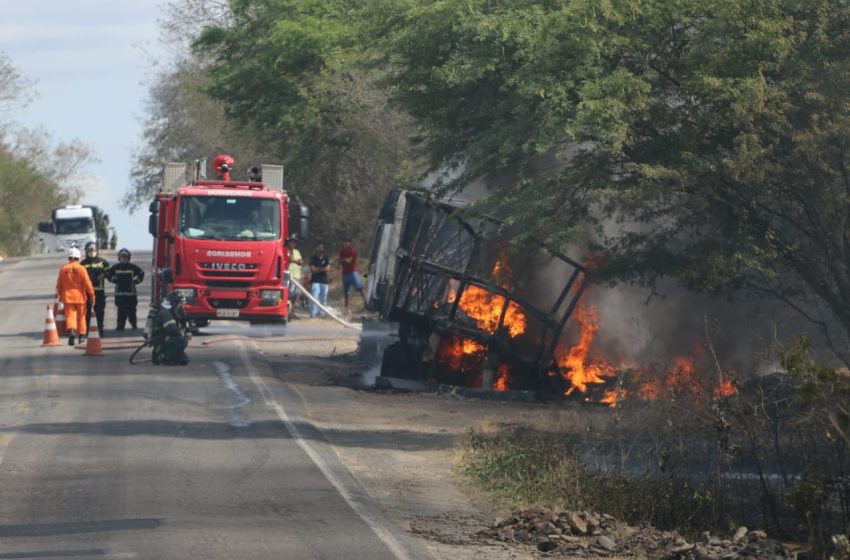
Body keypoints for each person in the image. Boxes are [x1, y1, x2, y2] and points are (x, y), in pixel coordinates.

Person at [55, 247, 95, 346]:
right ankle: (81, 336)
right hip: (80, 297)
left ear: (69, 257)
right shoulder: (82, 269)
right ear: (78, 258)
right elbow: (87, 283)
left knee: (70, 317)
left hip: (68, 298)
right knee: (81, 317)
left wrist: (60, 295)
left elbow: (59, 285)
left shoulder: (63, 269)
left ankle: (72, 331)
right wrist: (92, 295)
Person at [106, 248, 145, 331]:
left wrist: (135, 282)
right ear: (119, 258)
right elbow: (108, 274)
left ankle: (133, 324)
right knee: (121, 310)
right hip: (119, 293)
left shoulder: (132, 267)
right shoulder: (116, 267)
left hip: (131, 293)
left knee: (132, 310)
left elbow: (141, 273)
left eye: (125, 257)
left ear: (129, 258)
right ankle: (120, 325)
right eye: (122, 257)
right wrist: (113, 280)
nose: (124, 258)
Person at [151, 291, 190, 365]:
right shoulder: (166, 313)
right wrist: (182, 333)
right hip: (160, 341)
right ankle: (162, 357)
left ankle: (170, 356)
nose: (182, 306)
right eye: (180, 303)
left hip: (164, 339)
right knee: (180, 340)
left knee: (183, 360)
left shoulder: (171, 312)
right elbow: (171, 329)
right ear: (174, 303)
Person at [80, 241, 110, 336]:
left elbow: (109, 272)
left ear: (97, 250)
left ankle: (100, 328)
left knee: (99, 311)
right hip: (86, 292)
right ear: (86, 251)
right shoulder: (83, 263)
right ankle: (88, 329)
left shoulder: (103, 262)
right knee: (87, 311)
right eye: (89, 250)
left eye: (93, 250)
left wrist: (104, 275)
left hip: (99, 291)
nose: (91, 252)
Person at [338, 237, 366, 313]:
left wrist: (343, 260)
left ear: (350, 243)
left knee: (359, 287)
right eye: (344, 242)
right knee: (346, 291)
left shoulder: (352, 250)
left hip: (353, 271)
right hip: (345, 272)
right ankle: (346, 307)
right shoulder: (342, 251)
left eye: (347, 242)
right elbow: (340, 260)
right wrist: (343, 260)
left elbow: (349, 261)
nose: (345, 243)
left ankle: (366, 303)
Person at [309, 243, 331, 318]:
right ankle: (313, 314)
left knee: (323, 298)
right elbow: (312, 270)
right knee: (314, 297)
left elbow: (328, 269)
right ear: (316, 248)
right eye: (319, 247)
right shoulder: (313, 258)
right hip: (315, 281)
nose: (320, 249)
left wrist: (318, 269)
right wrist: (322, 269)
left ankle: (322, 314)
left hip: (324, 281)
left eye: (322, 247)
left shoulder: (326, 258)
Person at [287, 240, 304, 319]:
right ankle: (287, 312)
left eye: (294, 243)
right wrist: (295, 261)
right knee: (288, 295)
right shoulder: (285, 251)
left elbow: (301, 262)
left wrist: (295, 261)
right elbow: (289, 260)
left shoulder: (297, 251)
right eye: (291, 242)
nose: (292, 244)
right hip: (288, 276)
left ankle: (292, 312)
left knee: (295, 295)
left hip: (296, 276)